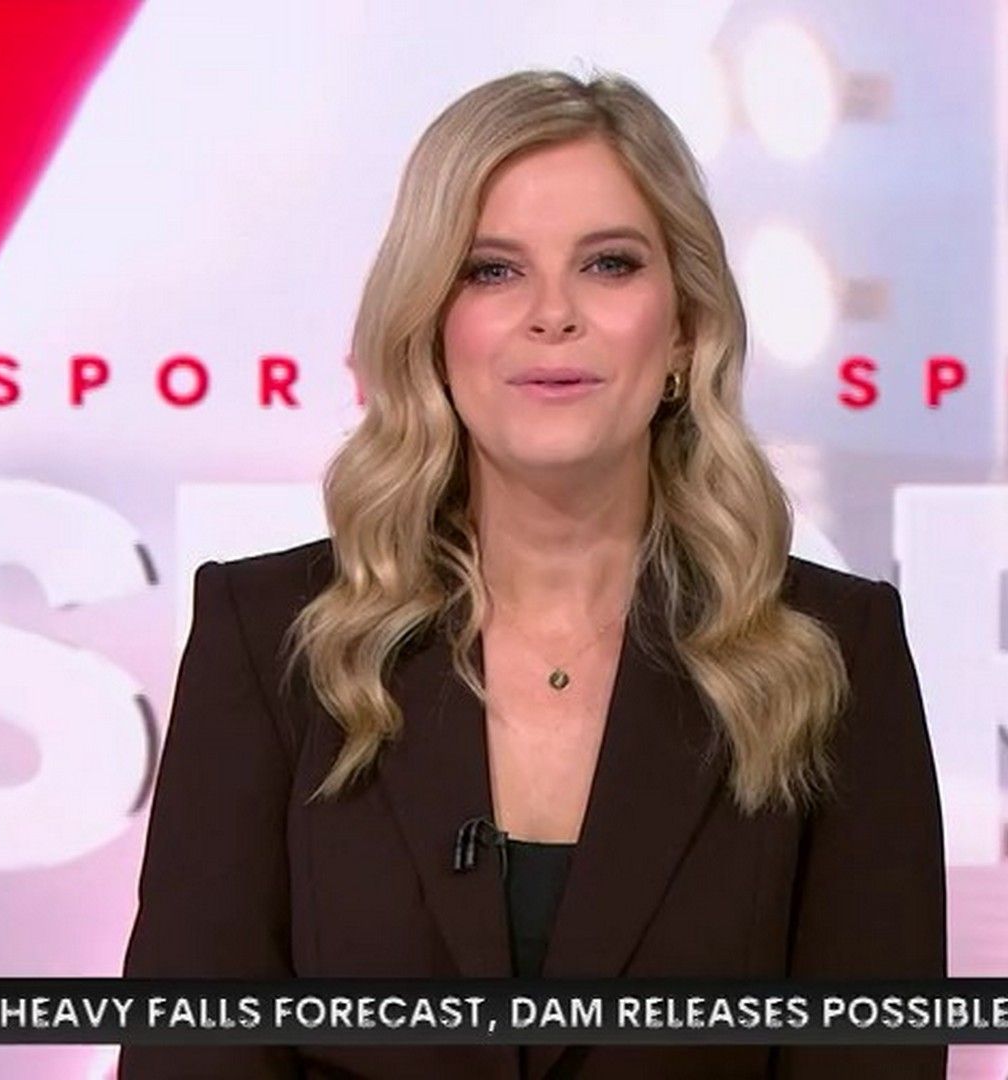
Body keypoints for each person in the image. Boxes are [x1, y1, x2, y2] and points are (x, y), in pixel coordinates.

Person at [122, 67, 945, 1079]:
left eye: (609, 264)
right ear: (431, 330)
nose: (553, 314)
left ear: (685, 329)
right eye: (492, 271)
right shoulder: (269, 640)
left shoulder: (833, 653)